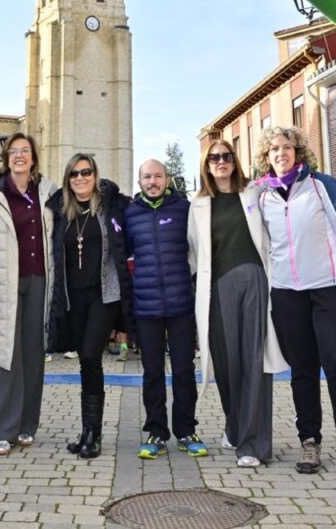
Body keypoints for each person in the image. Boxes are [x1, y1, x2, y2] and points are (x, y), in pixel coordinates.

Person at [254, 125, 336, 481]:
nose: (280, 153)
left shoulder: (322, 186)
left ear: (298, 153)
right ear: (266, 157)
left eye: (287, 147)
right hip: (287, 293)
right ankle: (309, 440)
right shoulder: (262, 196)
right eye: (274, 149)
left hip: (329, 290)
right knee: (301, 369)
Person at [189, 140, 286, 468]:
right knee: (228, 365)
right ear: (206, 164)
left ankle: (252, 443)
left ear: (235, 161)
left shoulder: (254, 194)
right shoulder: (198, 204)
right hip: (218, 290)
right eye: (214, 157)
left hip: (255, 282)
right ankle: (235, 424)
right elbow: (194, 253)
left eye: (226, 156)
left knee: (254, 362)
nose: (220, 162)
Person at [0, 133, 54, 456]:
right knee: (7, 356)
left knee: (34, 355)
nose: (20, 156)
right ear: (6, 159)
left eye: (25, 151)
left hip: (39, 282)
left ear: (34, 157)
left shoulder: (47, 192)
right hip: (5, 285)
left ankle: (25, 426)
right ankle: (0, 430)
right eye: (13, 152)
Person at [46, 153, 132, 460]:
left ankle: (94, 435)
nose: (80, 178)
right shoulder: (59, 211)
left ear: (95, 175)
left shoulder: (112, 207)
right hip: (73, 298)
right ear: (68, 179)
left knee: (91, 355)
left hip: (103, 295)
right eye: (74, 174)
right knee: (85, 361)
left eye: (86, 172)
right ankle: (86, 430)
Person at [124, 159, 207, 460]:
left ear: (167, 179)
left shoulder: (183, 209)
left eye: (158, 176)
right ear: (139, 181)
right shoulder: (131, 213)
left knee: (184, 371)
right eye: (147, 176)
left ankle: (186, 430)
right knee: (152, 373)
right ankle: (156, 432)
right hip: (146, 308)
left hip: (181, 305)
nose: (152, 181)